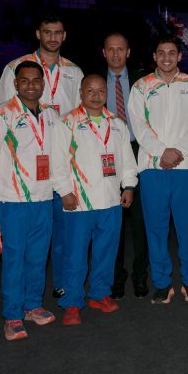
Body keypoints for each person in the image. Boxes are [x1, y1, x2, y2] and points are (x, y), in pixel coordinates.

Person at [0, 13, 85, 300]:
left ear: (64, 36)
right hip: (25, 170)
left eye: (58, 32)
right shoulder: (15, 67)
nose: (52, 38)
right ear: (38, 34)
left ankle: (61, 283)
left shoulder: (74, 71)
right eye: (47, 32)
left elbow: (81, 116)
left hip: (62, 164)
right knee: (25, 239)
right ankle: (21, 297)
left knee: (63, 230)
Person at [0, 61, 59, 340]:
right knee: (14, 258)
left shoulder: (50, 115)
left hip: (44, 197)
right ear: (15, 84)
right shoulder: (0, 115)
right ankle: (12, 314)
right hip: (13, 199)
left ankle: (32, 305)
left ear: (43, 84)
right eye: (25, 80)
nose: (31, 85)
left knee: (38, 256)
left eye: (36, 80)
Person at [51, 75, 137, 325]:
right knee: (75, 255)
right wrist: (64, 191)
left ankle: (99, 294)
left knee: (106, 252)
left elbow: (127, 160)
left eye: (100, 91)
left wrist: (129, 185)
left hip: (110, 201)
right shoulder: (66, 123)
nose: (96, 96)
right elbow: (57, 162)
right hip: (79, 202)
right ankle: (72, 303)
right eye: (90, 91)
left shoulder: (117, 124)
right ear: (81, 92)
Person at [128, 37, 188, 304]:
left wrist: (177, 152)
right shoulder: (141, 87)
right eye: (161, 52)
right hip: (152, 167)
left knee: (187, 229)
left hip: (185, 167)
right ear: (154, 55)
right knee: (156, 229)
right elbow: (138, 126)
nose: (166, 57)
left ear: (179, 56)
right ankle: (162, 283)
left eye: (171, 52)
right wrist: (161, 152)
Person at [102, 32, 150, 299]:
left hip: (139, 151)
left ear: (128, 52)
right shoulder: (94, 80)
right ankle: (116, 277)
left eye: (120, 49)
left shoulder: (143, 80)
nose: (116, 54)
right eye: (111, 49)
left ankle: (140, 276)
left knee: (142, 220)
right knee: (113, 221)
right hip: (106, 153)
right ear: (104, 52)